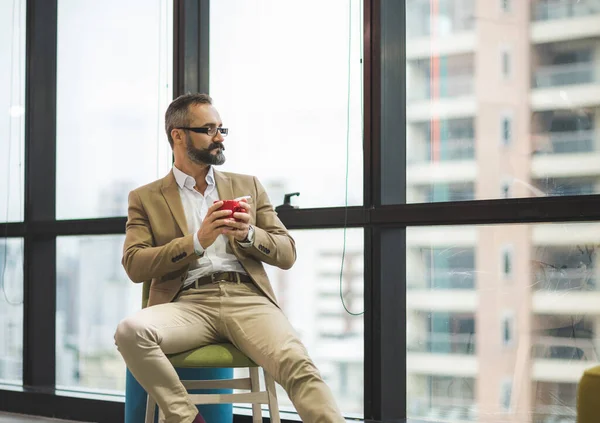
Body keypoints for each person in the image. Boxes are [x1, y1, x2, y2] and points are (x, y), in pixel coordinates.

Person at [114, 93, 345, 423]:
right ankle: (187, 419)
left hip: (247, 299)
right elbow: (135, 265)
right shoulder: (145, 198)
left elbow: (287, 252)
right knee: (129, 331)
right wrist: (197, 241)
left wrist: (249, 234)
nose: (219, 137)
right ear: (177, 134)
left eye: (222, 128)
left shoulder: (247, 184)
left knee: (298, 363)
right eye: (208, 129)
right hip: (188, 304)